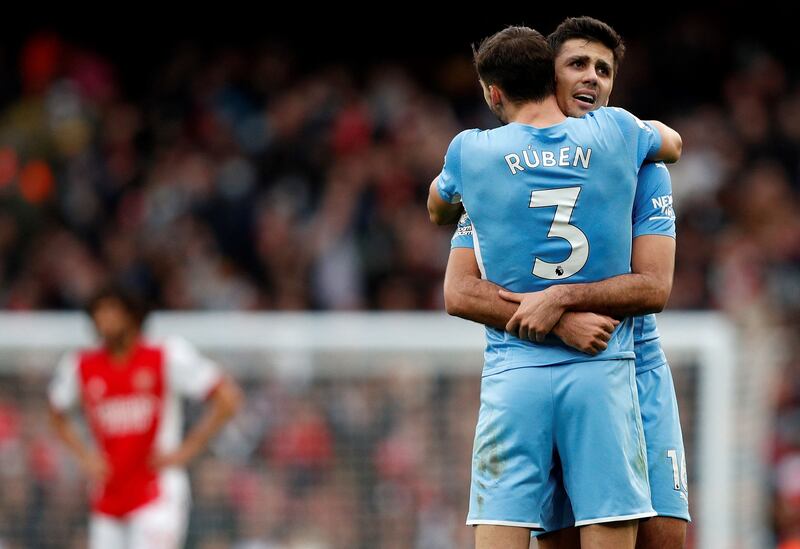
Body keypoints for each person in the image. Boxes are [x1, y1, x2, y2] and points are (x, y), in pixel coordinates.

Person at [427, 26, 681, 549]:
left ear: (493, 91)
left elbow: (654, 288)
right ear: (549, 74)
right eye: (579, 64)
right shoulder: (621, 136)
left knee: (663, 537)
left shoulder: (477, 157)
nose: (592, 76)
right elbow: (459, 292)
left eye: (604, 69)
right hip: (595, 360)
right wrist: (562, 320)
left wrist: (560, 298)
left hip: (621, 362)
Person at [48, 286, 243, 549]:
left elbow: (227, 398)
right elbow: (55, 411)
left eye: (111, 310)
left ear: (132, 315)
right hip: (108, 492)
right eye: (98, 312)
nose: (103, 319)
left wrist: (187, 450)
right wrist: (84, 457)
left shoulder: (166, 356)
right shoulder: (80, 366)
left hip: (157, 489)